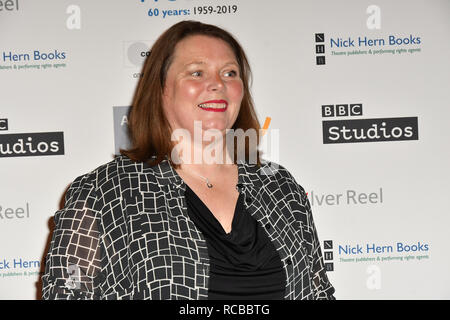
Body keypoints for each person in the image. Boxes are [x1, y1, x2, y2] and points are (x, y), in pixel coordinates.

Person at [41, 20, 335, 300]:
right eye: (197, 72)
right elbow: (67, 291)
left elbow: (319, 291)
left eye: (230, 73)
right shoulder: (104, 192)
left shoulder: (280, 187)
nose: (217, 84)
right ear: (160, 90)